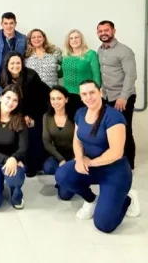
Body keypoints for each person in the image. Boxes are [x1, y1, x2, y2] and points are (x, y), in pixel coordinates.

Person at [54, 80, 141, 233]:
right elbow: (77, 140)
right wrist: (79, 159)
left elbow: (116, 152)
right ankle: (91, 200)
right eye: (84, 94)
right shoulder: (80, 113)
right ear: (81, 97)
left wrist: (90, 163)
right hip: (91, 166)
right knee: (62, 175)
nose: (89, 97)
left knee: (104, 224)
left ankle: (127, 198)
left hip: (114, 171)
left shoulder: (114, 117)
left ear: (100, 92)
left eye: (92, 92)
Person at [0, 51, 51, 177]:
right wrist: (21, 115)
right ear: (7, 65)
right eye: (12, 63)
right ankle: (17, 161)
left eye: (18, 63)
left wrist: (29, 115)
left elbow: (39, 99)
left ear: (22, 64)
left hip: (36, 110)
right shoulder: (3, 78)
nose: (15, 66)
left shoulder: (31, 76)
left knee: (32, 133)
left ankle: (34, 166)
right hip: (17, 112)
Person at [96, 20, 138, 170]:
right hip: (107, 96)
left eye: (106, 30)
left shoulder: (125, 51)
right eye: (100, 31)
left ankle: (129, 165)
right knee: (110, 131)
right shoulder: (100, 50)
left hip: (122, 97)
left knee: (124, 130)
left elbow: (131, 75)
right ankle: (114, 160)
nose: (103, 33)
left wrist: (123, 97)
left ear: (113, 31)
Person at [0, 12, 27, 104]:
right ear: (1, 24)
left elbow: (29, 54)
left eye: (11, 23)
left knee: (14, 105)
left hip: (15, 79)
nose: (8, 26)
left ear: (15, 24)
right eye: (6, 23)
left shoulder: (23, 39)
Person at [41, 85, 76, 200]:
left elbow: (81, 140)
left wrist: (75, 159)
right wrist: (61, 159)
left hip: (74, 155)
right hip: (58, 155)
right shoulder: (47, 117)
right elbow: (46, 141)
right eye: (53, 99)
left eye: (59, 98)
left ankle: (69, 178)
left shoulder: (75, 116)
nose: (55, 102)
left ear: (66, 99)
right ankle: (64, 177)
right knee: (48, 167)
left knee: (64, 196)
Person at [60, 29, 100, 113]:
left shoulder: (90, 54)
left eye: (76, 37)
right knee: (71, 118)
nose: (74, 40)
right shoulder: (65, 55)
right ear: (68, 41)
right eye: (71, 38)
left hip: (85, 95)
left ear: (81, 39)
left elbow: (96, 75)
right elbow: (61, 73)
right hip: (67, 95)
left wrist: (95, 93)